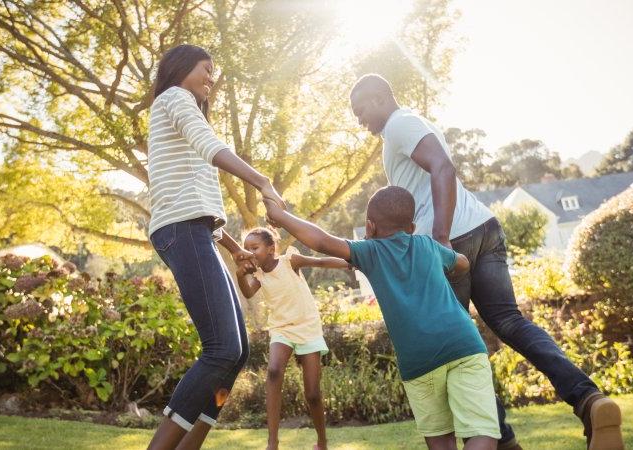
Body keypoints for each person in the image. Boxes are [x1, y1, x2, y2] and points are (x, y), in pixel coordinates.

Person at [347, 73, 623, 450]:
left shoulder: (399, 125)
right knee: (508, 321)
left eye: (360, 111)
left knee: (456, 347)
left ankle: (504, 442)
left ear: (380, 98)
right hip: (483, 227)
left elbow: (443, 167)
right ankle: (588, 400)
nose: (359, 121)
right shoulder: (413, 122)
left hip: (451, 239)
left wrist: (441, 237)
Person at [264, 186, 501, 450]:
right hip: (463, 345)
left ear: (370, 226)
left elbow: (321, 241)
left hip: (419, 359)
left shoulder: (370, 252)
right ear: (411, 227)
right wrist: (455, 262)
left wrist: (281, 216)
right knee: (481, 433)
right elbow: (463, 262)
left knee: (441, 439)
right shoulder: (427, 245)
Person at [145, 44, 286, 450]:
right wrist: (262, 182)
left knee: (237, 351)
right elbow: (210, 146)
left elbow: (196, 202)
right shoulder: (175, 97)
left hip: (194, 230)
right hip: (181, 231)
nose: (211, 78)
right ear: (180, 68)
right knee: (221, 347)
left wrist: (231, 246)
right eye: (206, 69)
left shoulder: (178, 110)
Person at [236, 227, 350, 450]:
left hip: (307, 327)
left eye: (254, 248)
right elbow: (248, 293)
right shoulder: (259, 275)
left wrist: (349, 262)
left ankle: (322, 441)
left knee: (313, 393)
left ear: (271, 249)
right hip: (281, 328)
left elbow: (320, 262)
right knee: (274, 371)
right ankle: (272, 442)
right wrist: (241, 276)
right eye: (247, 249)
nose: (250, 252)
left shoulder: (290, 260)